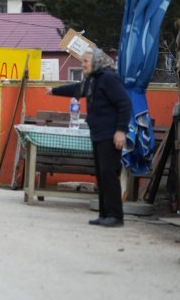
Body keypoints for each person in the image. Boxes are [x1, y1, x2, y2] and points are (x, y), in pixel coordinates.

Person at [47, 48, 131, 227]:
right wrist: (54, 91)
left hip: (110, 134)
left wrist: (121, 130)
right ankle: (104, 214)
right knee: (101, 175)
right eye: (82, 61)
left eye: (86, 61)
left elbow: (125, 104)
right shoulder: (93, 80)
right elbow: (77, 89)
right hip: (98, 134)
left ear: (97, 61)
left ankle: (116, 216)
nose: (82, 65)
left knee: (109, 174)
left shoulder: (109, 78)